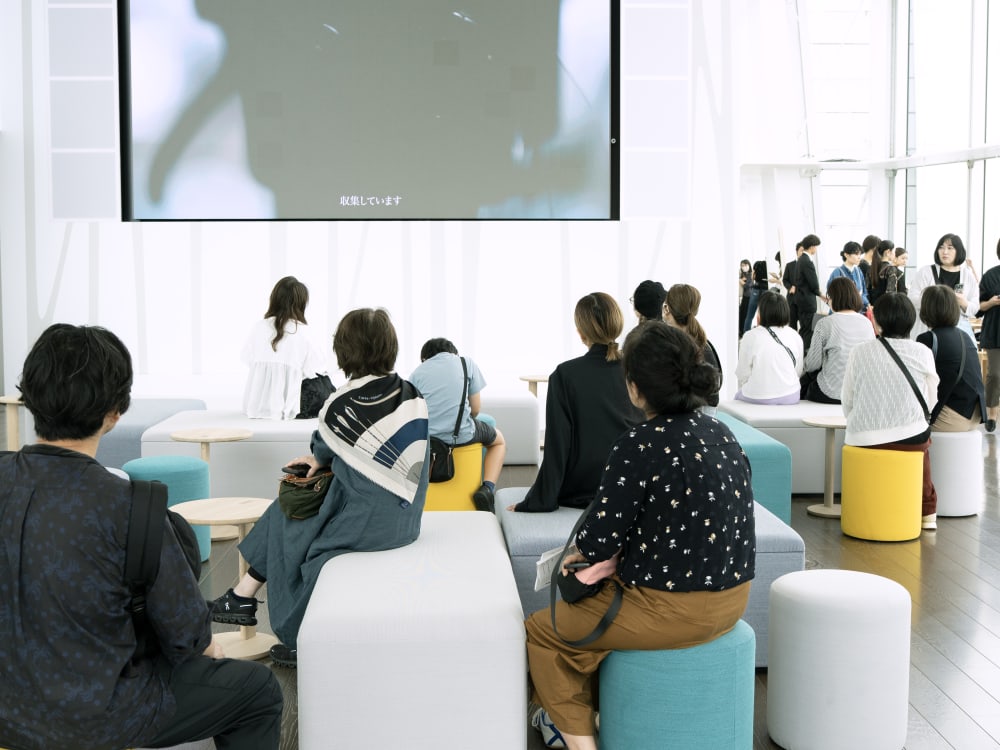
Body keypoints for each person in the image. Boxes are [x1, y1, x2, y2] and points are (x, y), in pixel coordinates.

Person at [0, 324, 282, 750]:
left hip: (8, 709)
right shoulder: (133, 507)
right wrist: (205, 648)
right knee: (258, 692)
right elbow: (187, 636)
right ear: (115, 413)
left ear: (29, 398)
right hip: (98, 717)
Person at [524, 322, 755, 750]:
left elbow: (595, 542)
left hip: (671, 611)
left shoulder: (640, 444)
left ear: (633, 388)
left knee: (543, 631)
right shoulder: (722, 433)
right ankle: (585, 713)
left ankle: (576, 738)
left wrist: (577, 554)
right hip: (735, 598)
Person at [211, 308, 430, 666]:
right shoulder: (413, 393)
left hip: (367, 525)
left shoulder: (341, 402)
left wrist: (318, 460)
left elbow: (322, 449)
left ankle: (296, 636)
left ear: (345, 351)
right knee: (292, 507)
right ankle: (242, 596)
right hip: (407, 521)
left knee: (290, 509)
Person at [508, 293, 643, 512]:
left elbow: (557, 445)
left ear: (581, 333)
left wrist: (539, 500)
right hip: (633, 483)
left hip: (583, 489)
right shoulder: (637, 369)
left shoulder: (565, 375)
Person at [841, 293, 940, 530]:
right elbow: (931, 399)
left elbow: (847, 401)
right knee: (923, 445)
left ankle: (863, 506)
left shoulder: (859, 352)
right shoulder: (923, 352)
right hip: (911, 437)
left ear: (876, 321)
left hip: (863, 437)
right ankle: (927, 513)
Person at [409, 337, 506, 511]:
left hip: (428, 441)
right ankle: (487, 488)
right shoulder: (465, 363)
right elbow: (476, 408)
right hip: (462, 435)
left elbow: (412, 413)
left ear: (424, 358)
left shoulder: (416, 373)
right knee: (498, 441)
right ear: (454, 353)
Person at [242, 275, 330, 419]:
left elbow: (247, 358)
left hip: (256, 405)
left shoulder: (258, 327)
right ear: (301, 303)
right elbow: (317, 367)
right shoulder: (304, 331)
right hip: (293, 407)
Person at [916, 285, 986, 432]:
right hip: (975, 414)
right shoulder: (964, 336)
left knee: (908, 427)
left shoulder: (928, 339)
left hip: (952, 416)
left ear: (926, 310)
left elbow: (917, 380)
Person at [800, 277, 875, 403]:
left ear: (834, 298)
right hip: (859, 393)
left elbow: (813, 364)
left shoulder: (825, 323)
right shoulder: (867, 323)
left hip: (830, 393)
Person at [735, 291, 804, 404]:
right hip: (791, 395)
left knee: (738, 397)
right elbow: (798, 370)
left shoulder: (750, 336)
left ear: (761, 314)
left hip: (758, 396)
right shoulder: (795, 335)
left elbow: (743, 374)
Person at [908, 233, 980, 342]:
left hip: (957, 332)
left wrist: (964, 303)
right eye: (941, 247)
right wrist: (934, 301)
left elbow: (975, 306)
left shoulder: (967, 276)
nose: (944, 252)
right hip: (927, 329)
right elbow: (912, 298)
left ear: (959, 251)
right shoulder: (926, 272)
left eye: (950, 248)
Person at [663, 283, 723, 410]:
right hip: (707, 413)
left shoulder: (672, 346)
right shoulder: (705, 343)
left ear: (666, 309)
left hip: (686, 414)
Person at [978, 238, 1000, 433]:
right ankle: (992, 413)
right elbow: (979, 307)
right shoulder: (990, 276)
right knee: (995, 374)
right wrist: (992, 302)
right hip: (995, 331)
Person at [794, 233, 823, 351]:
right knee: (809, 329)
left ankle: (801, 352)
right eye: (816, 246)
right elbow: (813, 283)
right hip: (807, 301)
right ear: (812, 247)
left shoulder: (800, 259)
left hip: (801, 299)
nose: (816, 249)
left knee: (804, 328)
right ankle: (806, 355)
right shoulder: (807, 261)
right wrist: (821, 294)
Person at [827, 241, 869, 312]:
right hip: (841, 312)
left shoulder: (859, 271)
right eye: (856, 254)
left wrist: (866, 303)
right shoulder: (837, 272)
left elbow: (864, 292)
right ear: (846, 255)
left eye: (860, 254)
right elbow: (831, 294)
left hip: (857, 311)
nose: (859, 257)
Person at [869, 242, 905, 307]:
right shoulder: (891, 269)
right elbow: (891, 292)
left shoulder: (872, 268)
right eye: (894, 251)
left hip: (872, 307)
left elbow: (867, 290)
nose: (894, 254)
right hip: (885, 307)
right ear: (888, 252)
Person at [742, 259, 769, 333]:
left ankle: (746, 334)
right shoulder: (768, 265)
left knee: (749, 316)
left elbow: (753, 277)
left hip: (756, 289)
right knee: (764, 315)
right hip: (766, 289)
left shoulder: (756, 264)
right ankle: (764, 334)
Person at [782, 244, 804, 331]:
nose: (803, 253)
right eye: (801, 250)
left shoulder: (808, 265)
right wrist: (790, 287)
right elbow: (785, 280)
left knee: (804, 324)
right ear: (797, 252)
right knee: (792, 324)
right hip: (792, 299)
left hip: (803, 299)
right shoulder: (789, 265)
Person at [738, 260, 752, 337]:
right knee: (741, 314)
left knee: (746, 314)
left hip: (748, 297)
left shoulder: (750, 274)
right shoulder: (743, 275)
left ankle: (744, 332)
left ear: (749, 265)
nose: (744, 267)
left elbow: (747, 285)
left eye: (745, 265)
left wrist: (741, 281)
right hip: (743, 297)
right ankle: (741, 330)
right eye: (742, 265)